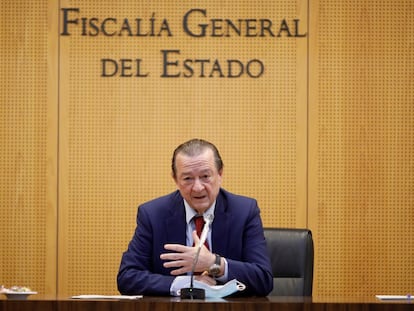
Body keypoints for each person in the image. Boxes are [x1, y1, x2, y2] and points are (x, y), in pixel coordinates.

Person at [117, 138, 273, 296]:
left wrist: (214, 263)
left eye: (205, 176)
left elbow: (263, 279)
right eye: (187, 179)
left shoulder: (244, 211)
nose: (198, 188)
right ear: (176, 180)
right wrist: (185, 284)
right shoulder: (153, 214)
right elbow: (127, 277)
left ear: (220, 174)